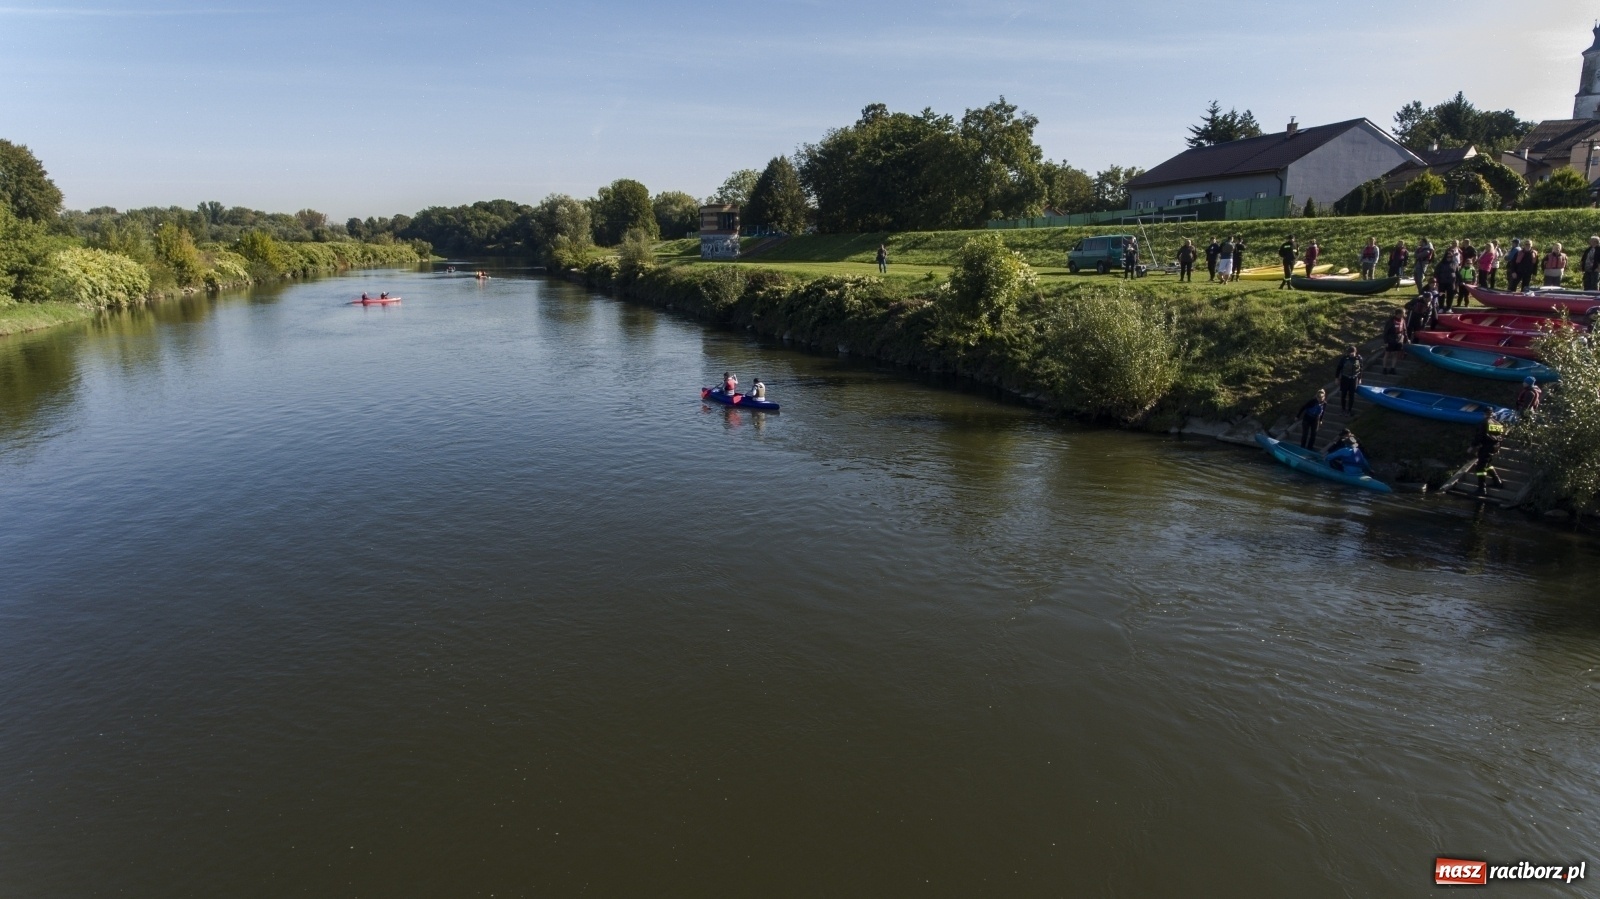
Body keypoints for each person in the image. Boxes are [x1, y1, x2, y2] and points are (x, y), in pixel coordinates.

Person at [1471, 407, 1507, 495]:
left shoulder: (1484, 423)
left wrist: (1473, 446)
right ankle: (1497, 482)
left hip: (1486, 447)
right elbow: (1500, 437)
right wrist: (1498, 448)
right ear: (1492, 413)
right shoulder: (1498, 423)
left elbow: (1479, 436)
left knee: (1480, 467)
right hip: (1494, 447)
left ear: (1484, 414)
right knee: (1488, 464)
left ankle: (1482, 489)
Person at [1335, 344, 1363, 413]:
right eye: (1350, 353)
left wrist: (1360, 378)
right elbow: (1339, 368)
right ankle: (1343, 409)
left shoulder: (1359, 359)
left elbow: (1360, 369)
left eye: (1352, 353)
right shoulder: (1344, 358)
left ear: (1355, 352)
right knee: (1343, 394)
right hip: (1345, 378)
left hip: (1354, 379)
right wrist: (1337, 378)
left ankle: (1349, 410)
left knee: (1351, 395)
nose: (1351, 354)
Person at [1382, 310, 1407, 374]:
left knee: (1395, 354)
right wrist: (1385, 342)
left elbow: (1404, 330)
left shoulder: (1403, 320)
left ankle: (1393, 368)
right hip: (1390, 339)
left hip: (1399, 340)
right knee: (1387, 353)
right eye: (1402, 314)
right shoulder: (1390, 321)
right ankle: (1384, 368)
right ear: (1397, 314)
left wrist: (1406, 339)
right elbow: (1385, 332)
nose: (1403, 315)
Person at [1434, 246, 1458, 312]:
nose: (1449, 258)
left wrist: (1459, 281)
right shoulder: (1440, 264)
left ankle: (1449, 308)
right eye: (1447, 257)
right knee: (1441, 295)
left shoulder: (1455, 264)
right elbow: (1436, 273)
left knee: (1450, 295)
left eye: (1450, 257)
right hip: (1442, 282)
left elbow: (1457, 273)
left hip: (1451, 282)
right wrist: (1436, 282)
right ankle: (1441, 307)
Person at [1457, 240, 1477, 307]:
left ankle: (1466, 304)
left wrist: (1474, 282)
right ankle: (1458, 304)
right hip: (1462, 282)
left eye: (1470, 263)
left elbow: (1474, 276)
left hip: (1468, 282)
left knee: (1466, 294)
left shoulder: (1472, 269)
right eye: (1467, 263)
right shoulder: (1462, 269)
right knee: (1460, 294)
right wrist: (1459, 282)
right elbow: (1459, 275)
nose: (1468, 264)